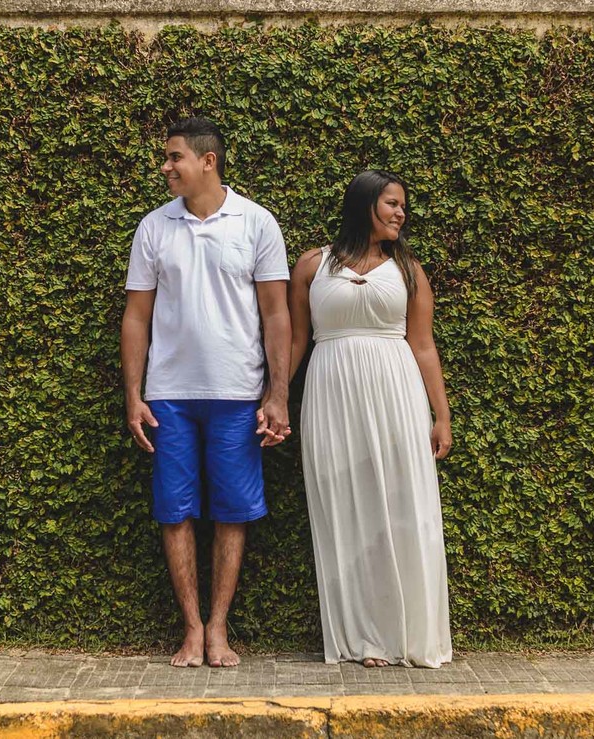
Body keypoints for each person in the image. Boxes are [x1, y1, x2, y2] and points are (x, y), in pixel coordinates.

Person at [121, 117, 291, 668]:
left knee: (233, 512)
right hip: (169, 392)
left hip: (238, 392)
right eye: (167, 158)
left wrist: (277, 394)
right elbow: (136, 318)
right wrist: (134, 393)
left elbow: (276, 315)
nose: (166, 167)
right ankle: (191, 629)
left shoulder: (257, 223)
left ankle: (219, 628)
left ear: (207, 161)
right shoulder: (153, 228)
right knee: (175, 512)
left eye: (174, 158)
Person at [287, 170, 453, 668]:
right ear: (365, 205)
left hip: (397, 393)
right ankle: (363, 636)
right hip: (331, 393)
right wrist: (273, 396)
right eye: (392, 204)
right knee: (344, 509)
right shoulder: (312, 265)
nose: (401, 213)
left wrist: (441, 416)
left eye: (403, 206)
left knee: (402, 508)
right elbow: (296, 340)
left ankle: (404, 633)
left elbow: (422, 345)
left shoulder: (409, 270)